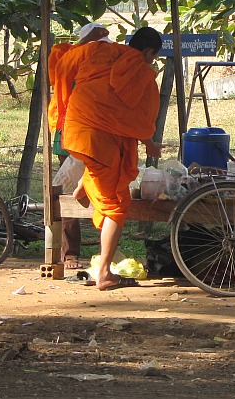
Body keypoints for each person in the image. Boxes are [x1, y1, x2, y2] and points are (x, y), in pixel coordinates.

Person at [51, 26, 163, 291]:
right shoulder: (143, 72)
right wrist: (149, 142)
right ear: (149, 52)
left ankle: (84, 185)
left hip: (76, 131)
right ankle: (104, 274)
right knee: (118, 204)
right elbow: (137, 117)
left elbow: (62, 61)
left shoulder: (98, 50)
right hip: (96, 141)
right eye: (153, 57)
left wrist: (87, 41)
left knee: (102, 171)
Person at [48, 23, 112, 271]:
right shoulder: (70, 63)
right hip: (70, 139)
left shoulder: (108, 68)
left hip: (99, 140)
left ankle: (105, 253)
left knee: (104, 192)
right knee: (67, 192)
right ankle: (70, 253)